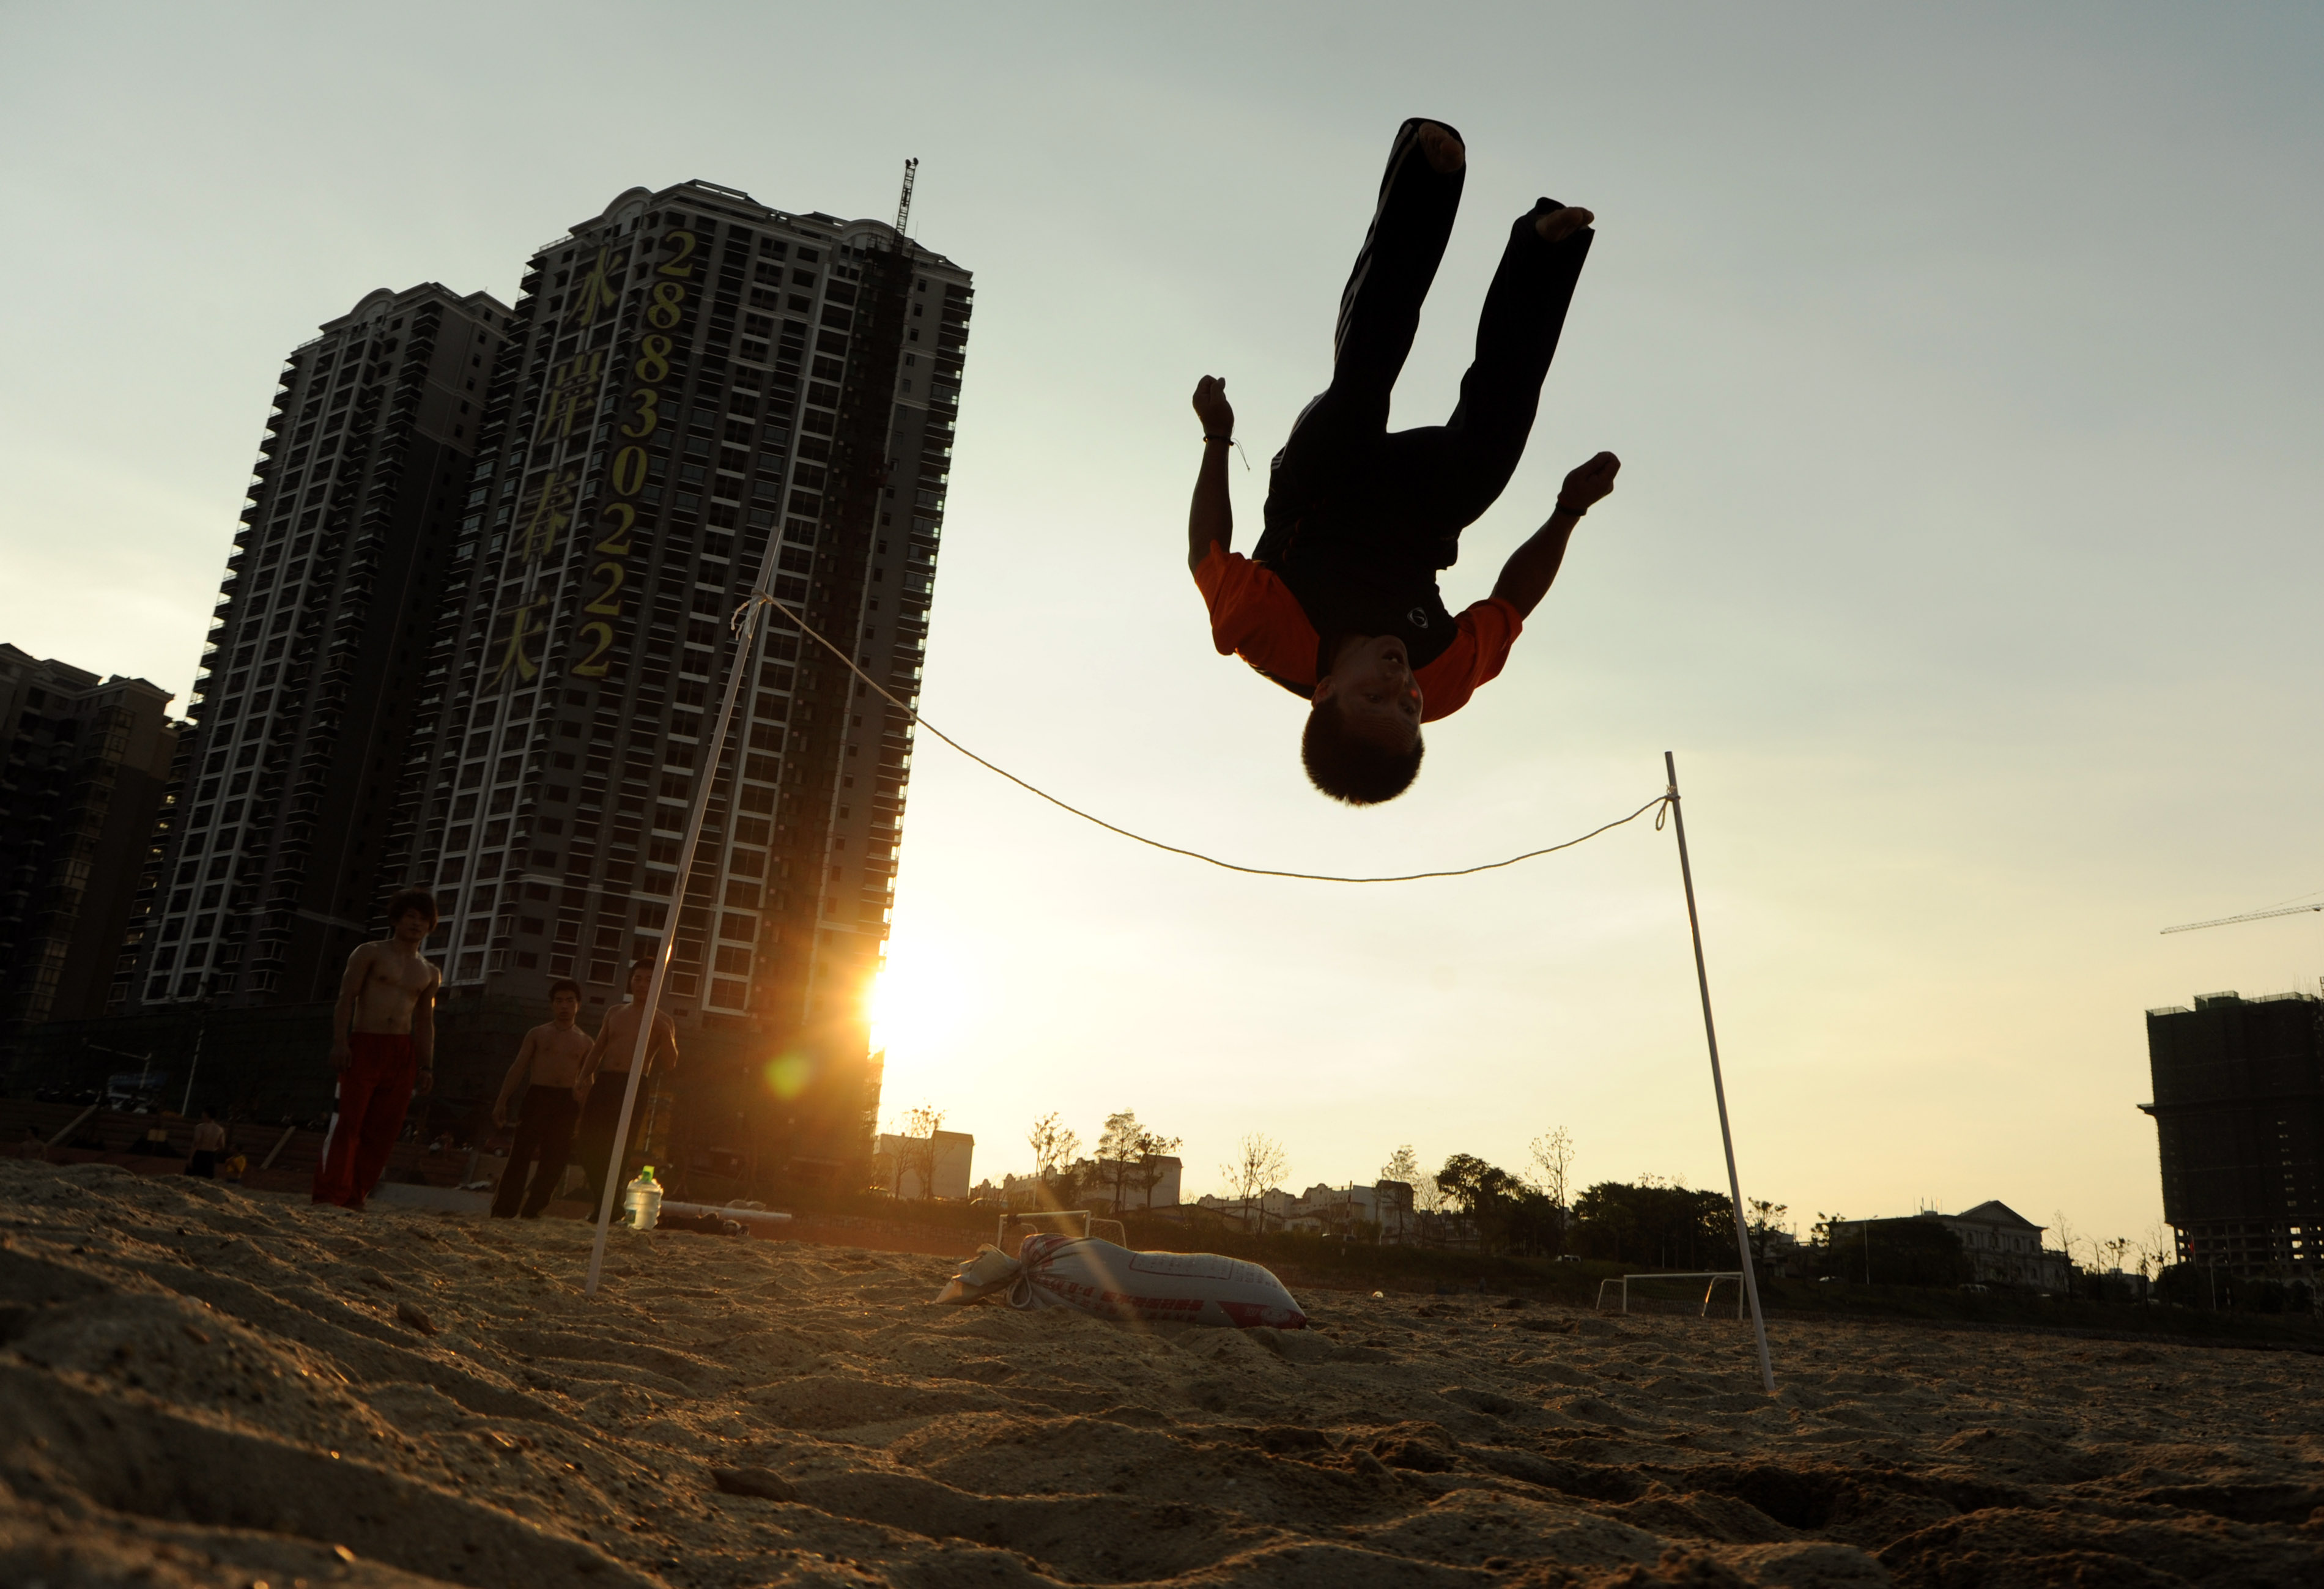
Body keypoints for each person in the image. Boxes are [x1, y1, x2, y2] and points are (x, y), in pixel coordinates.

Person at [1187, 117, 1622, 805]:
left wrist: (1216, 437)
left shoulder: (1261, 633)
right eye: (1409, 708)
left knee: (1361, 385)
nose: (1400, 683)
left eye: (1374, 696)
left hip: (1320, 486)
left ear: (1324, 690)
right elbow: (1512, 603)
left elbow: (1205, 551)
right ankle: (1540, 253)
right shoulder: (1446, 679)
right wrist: (1567, 511)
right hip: (1417, 518)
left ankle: (1424, 177)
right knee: (1489, 454)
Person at [311, 889, 440, 1210]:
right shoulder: (369, 953)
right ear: (396, 919)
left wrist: (426, 1066)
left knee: (383, 1132)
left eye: (423, 919)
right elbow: (346, 998)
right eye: (410, 916)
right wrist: (340, 1042)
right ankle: (329, 1196)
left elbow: (425, 1022)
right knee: (347, 1125)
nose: (416, 923)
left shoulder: (429, 972)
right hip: (365, 1042)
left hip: (401, 1053)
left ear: (430, 926)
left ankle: (355, 1197)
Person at [571, 960, 679, 1216]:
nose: (643, 984)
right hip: (607, 1081)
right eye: (639, 978)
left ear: (657, 984)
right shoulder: (615, 1012)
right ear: (631, 981)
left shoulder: (663, 1020)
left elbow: (671, 1063)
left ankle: (605, 1209)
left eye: (650, 979)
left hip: (635, 1083)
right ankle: (607, 1202)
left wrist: (665, 1032)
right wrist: (582, 1077)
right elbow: (599, 1049)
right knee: (587, 1142)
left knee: (620, 1147)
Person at [487, 978, 594, 1218]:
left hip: (566, 1102)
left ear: (578, 1005)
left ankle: (533, 1209)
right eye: (559, 1001)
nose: (564, 1006)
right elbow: (518, 1068)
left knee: (555, 1159)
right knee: (520, 1155)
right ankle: (504, 1210)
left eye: (570, 1001)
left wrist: (584, 1114)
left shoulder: (586, 1041)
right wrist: (502, 1101)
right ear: (552, 1005)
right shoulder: (538, 1034)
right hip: (538, 1095)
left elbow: (588, 1081)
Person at [184, 1106, 227, 1178]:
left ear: (206, 1114)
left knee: (192, 1178)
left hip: (199, 1154)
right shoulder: (220, 1130)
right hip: (211, 1155)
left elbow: (196, 1143)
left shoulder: (200, 1127)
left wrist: (190, 1158)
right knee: (207, 1178)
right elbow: (222, 1146)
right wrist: (213, 1150)